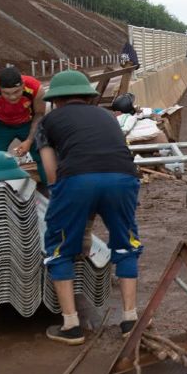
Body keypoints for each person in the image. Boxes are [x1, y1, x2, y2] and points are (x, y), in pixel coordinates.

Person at [35, 70, 143, 345]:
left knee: (58, 248)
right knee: (125, 243)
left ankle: (71, 325)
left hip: (77, 181)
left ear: (56, 101)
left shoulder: (47, 122)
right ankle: (131, 319)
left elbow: (50, 173)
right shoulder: (107, 117)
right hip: (123, 177)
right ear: (88, 97)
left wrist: (65, 205)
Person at [0, 67, 48, 186]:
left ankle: (51, 188)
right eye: (6, 93)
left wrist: (29, 140)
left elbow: (39, 115)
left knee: (43, 154)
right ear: (0, 89)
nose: (12, 97)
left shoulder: (36, 89)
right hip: (1, 125)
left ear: (23, 86)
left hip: (28, 123)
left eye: (17, 92)